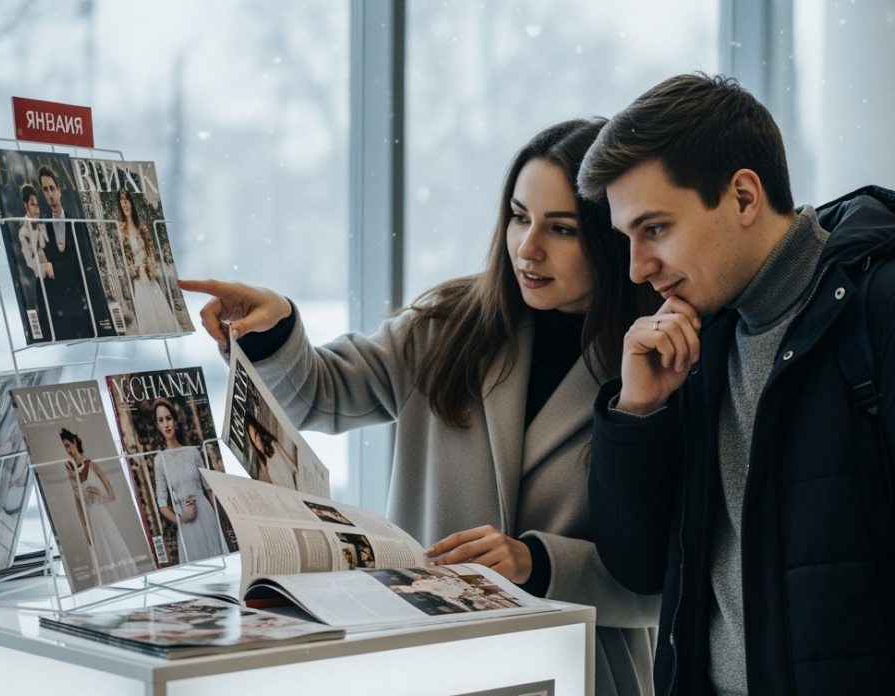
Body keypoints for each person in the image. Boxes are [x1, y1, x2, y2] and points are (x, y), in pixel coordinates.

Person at [579, 73, 895, 695]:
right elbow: (639, 568)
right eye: (628, 238)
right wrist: (638, 411)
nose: (638, 268)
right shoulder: (699, 340)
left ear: (743, 197)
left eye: (655, 229)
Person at [180, 118, 662, 696]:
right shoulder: (450, 325)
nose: (527, 248)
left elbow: (668, 584)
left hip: (580, 672)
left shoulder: (657, 365)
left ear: (612, 236)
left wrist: (538, 563)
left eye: (561, 229)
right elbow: (319, 395)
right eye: (518, 217)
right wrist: (276, 330)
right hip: (430, 662)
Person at [37, 164, 112, 340]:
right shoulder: (44, 228)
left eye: (52, 188)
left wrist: (55, 268)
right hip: (60, 310)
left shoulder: (77, 224)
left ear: (59, 191)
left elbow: (84, 264)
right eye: (45, 190)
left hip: (81, 306)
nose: (50, 195)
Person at [150, 398, 226, 563]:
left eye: (169, 418)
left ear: (175, 422)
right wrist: (181, 519)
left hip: (206, 514)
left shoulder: (193, 452)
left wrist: (221, 523)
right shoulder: (159, 460)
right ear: (157, 426)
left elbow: (208, 488)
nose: (166, 424)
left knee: (218, 558)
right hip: (186, 522)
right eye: (161, 420)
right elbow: (162, 505)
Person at [60, 428, 137, 585]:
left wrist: (99, 494)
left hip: (101, 515)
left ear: (75, 442)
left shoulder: (91, 464)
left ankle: (123, 580)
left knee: (111, 545)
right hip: (90, 519)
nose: (68, 450)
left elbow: (112, 496)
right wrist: (84, 527)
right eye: (65, 447)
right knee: (99, 551)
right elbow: (78, 502)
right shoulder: (69, 467)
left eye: (68, 445)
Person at [117, 189, 181, 335]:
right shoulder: (121, 230)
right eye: (122, 202)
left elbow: (150, 249)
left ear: (131, 203)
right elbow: (122, 252)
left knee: (157, 303)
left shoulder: (142, 227)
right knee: (143, 305)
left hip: (148, 274)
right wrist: (132, 268)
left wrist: (151, 268)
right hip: (136, 276)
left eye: (127, 201)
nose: (125, 205)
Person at [17, 184, 54, 342]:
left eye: (37, 205)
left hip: (53, 278)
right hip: (40, 280)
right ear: (26, 205)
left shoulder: (43, 226)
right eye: (33, 205)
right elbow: (30, 261)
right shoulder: (24, 232)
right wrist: (46, 267)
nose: (37, 210)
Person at [243, 414, 299, 491]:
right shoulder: (263, 462)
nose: (257, 442)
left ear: (259, 432)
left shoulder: (273, 444)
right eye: (254, 441)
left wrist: (296, 481)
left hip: (294, 486)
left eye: (256, 435)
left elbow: (290, 462)